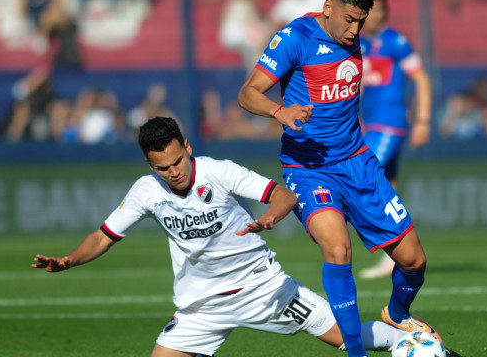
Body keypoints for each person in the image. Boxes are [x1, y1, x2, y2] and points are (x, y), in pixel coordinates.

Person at [31, 116, 406, 357]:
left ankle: (410, 341)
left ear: (188, 147)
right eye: (163, 167)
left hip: (264, 289)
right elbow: (103, 236)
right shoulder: (147, 190)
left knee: (346, 337)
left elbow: (284, 194)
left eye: (178, 161)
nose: (174, 172)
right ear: (150, 165)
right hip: (201, 306)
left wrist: (271, 217)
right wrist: (67, 261)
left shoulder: (219, 172)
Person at [237, 0, 436, 357]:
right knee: (339, 249)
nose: (355, 29)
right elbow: (247, 93)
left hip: (358, 162)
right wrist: (281, 110)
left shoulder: (363, 36)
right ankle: (356, 353)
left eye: (362, 20)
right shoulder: (295, 38)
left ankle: (397, 314)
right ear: (328, 7)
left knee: (414, 261)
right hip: (308, 168)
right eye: (349, 19)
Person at [357, 0, 433, 280]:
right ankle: (396, 255)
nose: (378, 15)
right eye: (373, 9)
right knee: (390, 188)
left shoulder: (395, 41)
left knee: (365, 175)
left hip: (390, 123)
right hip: (370, 123)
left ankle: (386, 247)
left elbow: (422, 78)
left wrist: (423, 121)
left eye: (381, 10)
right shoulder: (357, 42)